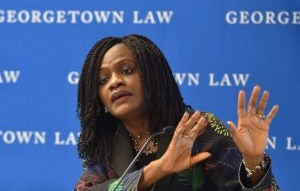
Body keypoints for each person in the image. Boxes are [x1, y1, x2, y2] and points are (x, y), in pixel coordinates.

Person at [75, 34, 280, 191]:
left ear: (153, 76)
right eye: (103, 80)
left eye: (127, 70)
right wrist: (159, 168)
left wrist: (253, 162)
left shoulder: (198, 128)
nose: (115, 82)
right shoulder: (105, 144)